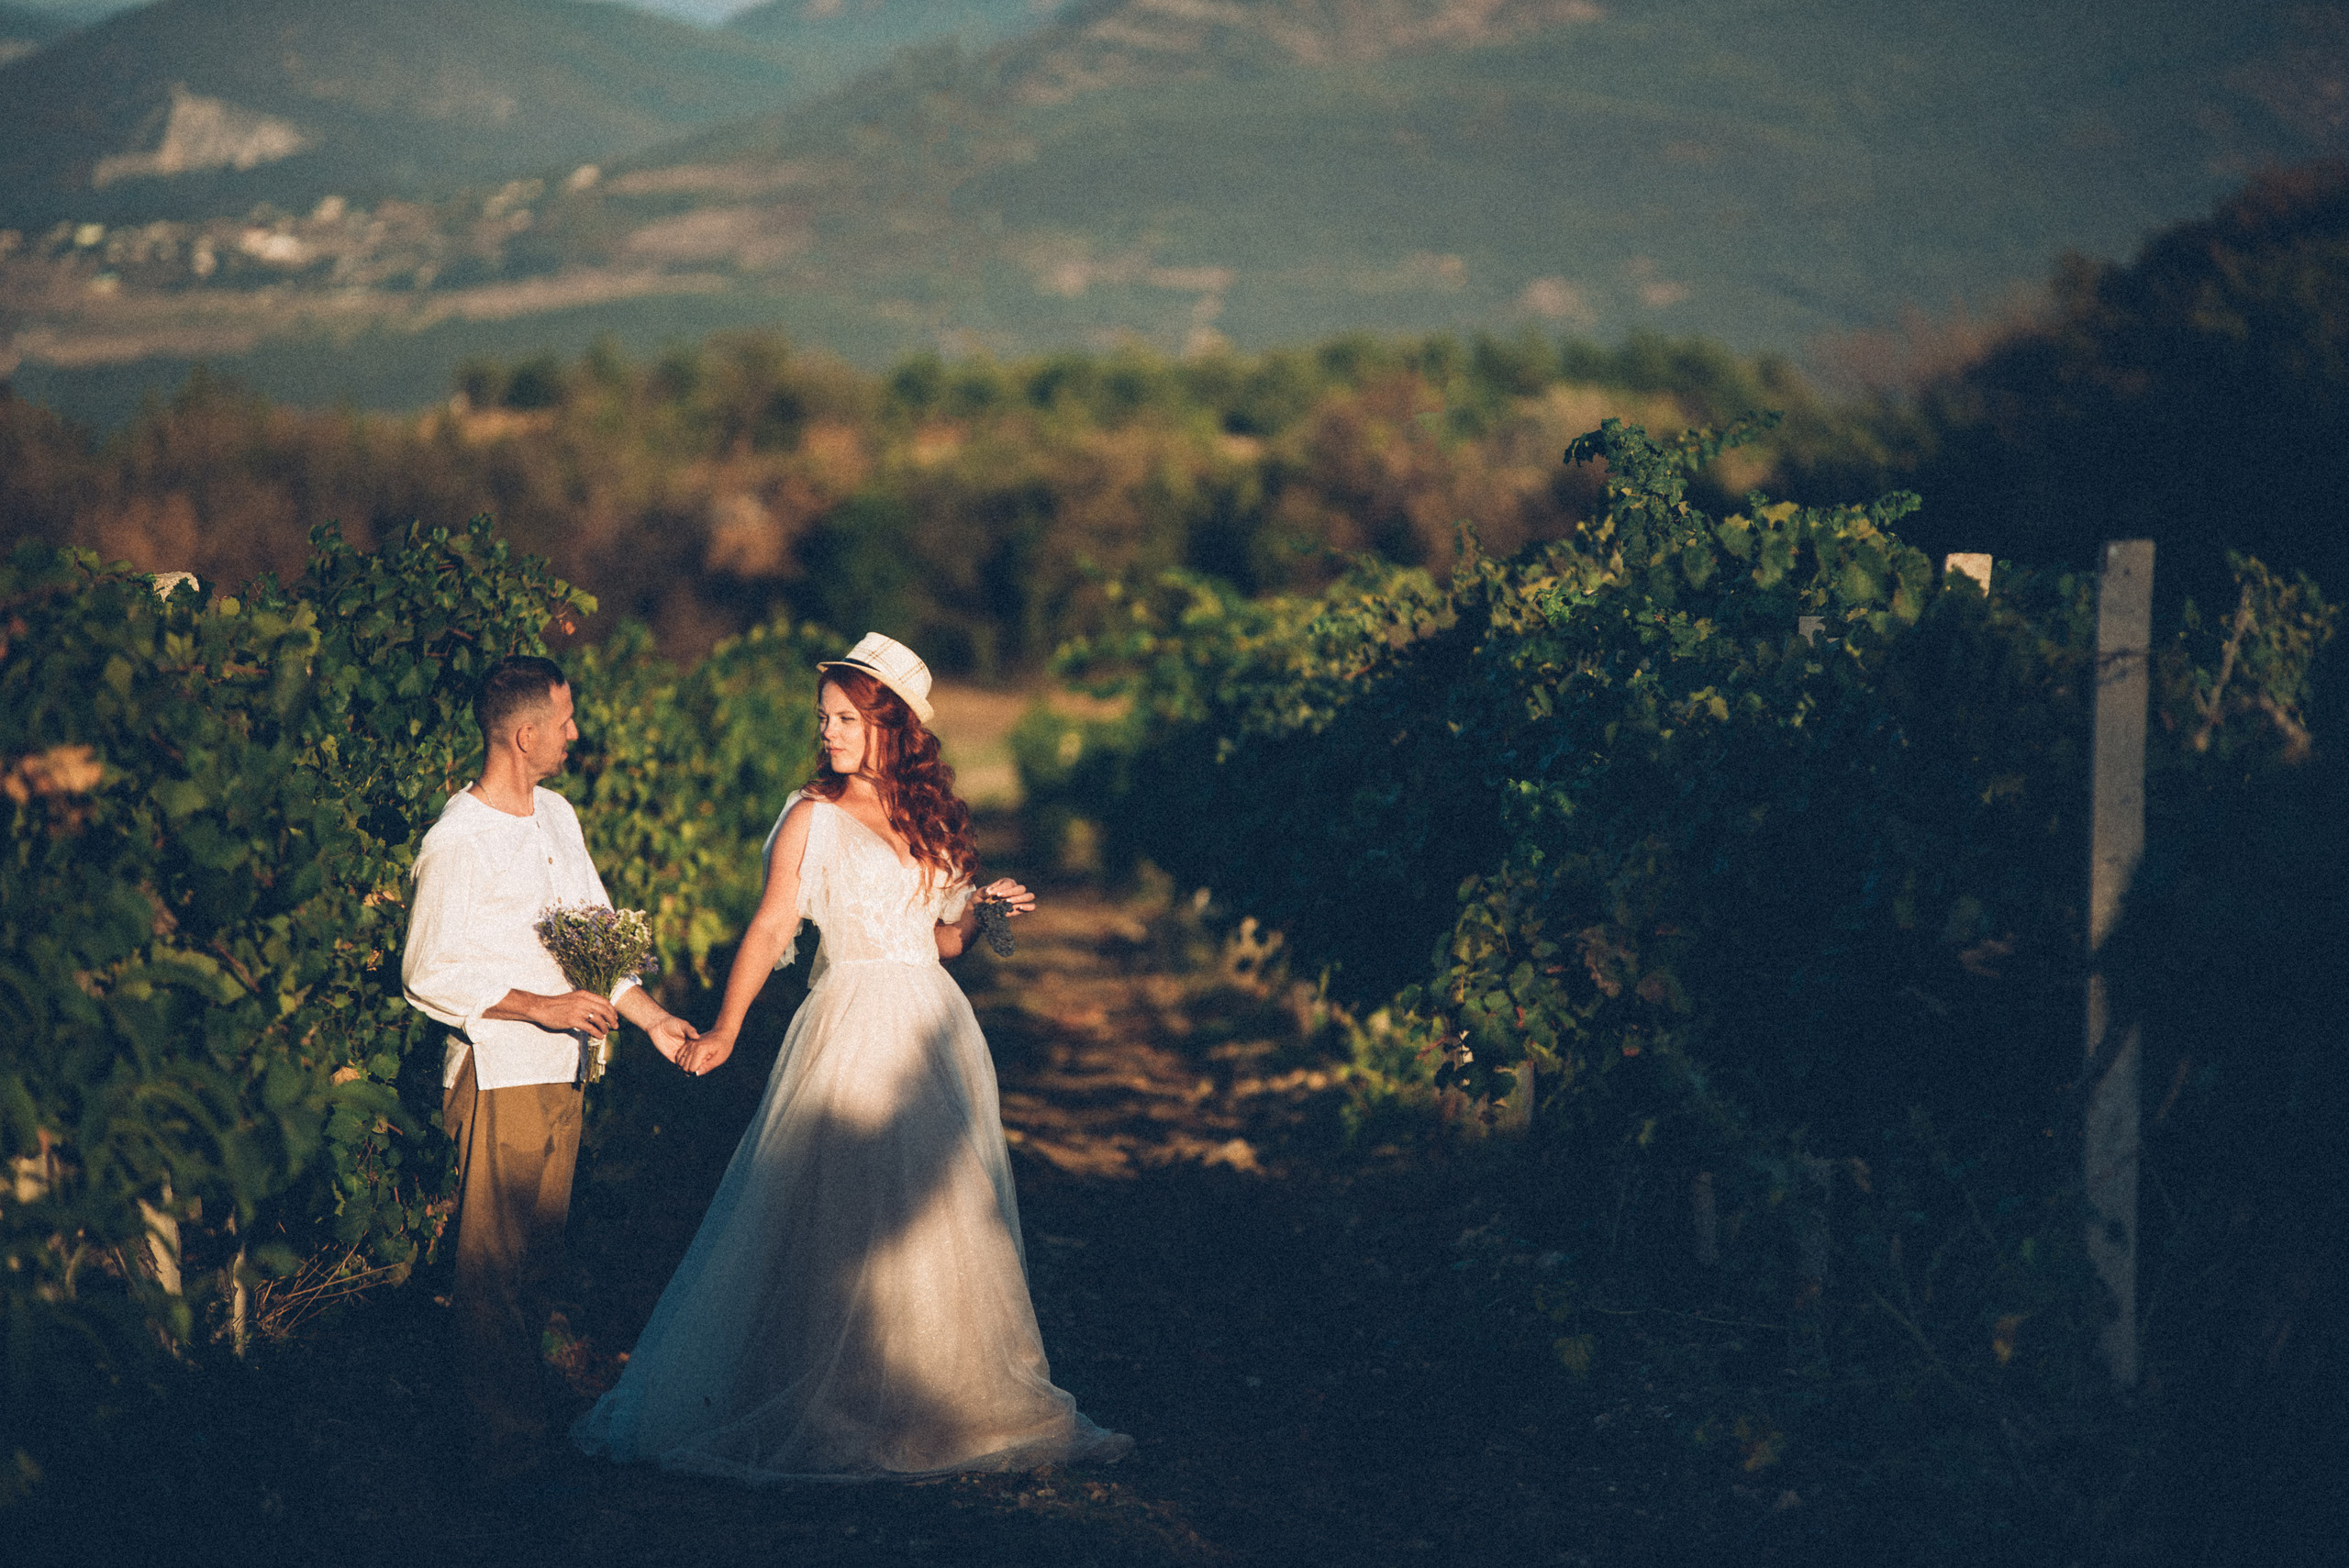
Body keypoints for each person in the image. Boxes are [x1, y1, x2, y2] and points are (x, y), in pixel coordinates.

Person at [573, 632, 1130, 1480]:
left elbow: (941, 943)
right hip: (852, 1018)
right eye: (824, 717)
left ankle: (927, 1400)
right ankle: (833, 1400)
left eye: (845, 718)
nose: (828, 732)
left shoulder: (931, 816)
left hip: (933, 1026)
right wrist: (725, 1028)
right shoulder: (811, 816)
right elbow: (769, 927)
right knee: (841, 1210)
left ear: (891, 725)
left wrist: (985, 909)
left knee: (933, 1209)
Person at [403, 654, 702, 1488]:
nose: (576, 733)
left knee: (534, 1267)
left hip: (563, 1069)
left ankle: (523, 1439)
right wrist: (541, 1005)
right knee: (491, 1276)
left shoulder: (557, 817)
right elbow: (426, 969)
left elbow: (594, 939)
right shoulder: (456, 839)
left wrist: (651, 1019)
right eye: (565, 721)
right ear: (524, 733)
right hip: (499, 1075)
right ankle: (502, 1461)